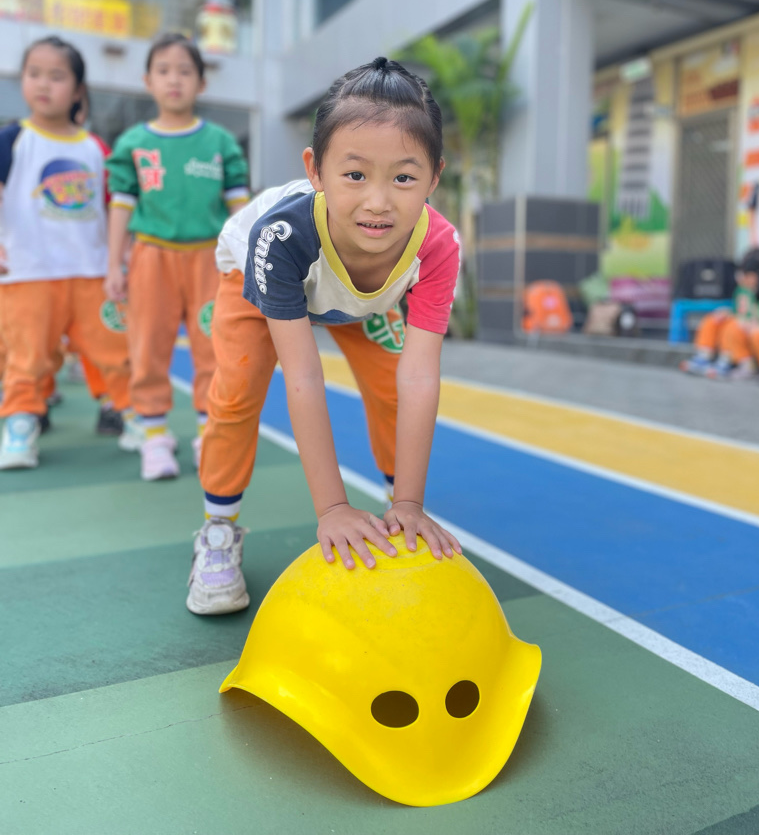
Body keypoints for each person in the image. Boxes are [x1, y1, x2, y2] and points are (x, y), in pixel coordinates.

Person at [187, 57, 462, 615]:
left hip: (359, 300)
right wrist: (333, 508)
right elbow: (304, 377)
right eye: (355, 175)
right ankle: (218, 526)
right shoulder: (281, 235)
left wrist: (411, 502)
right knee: (237, 390)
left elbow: (419, 376)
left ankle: (398, 511)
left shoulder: (438, 244)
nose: (378, 202)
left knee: (391, 388)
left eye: (403, 178)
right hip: (258, 279)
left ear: (434, 177)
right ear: (315, 169)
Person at [105, 33, 249, 481]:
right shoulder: (133, 143)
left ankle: (209, 433)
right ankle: (154, 436)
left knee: (213, 347)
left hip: (211, 259)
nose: (174, 80)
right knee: (147, 346)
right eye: (164, 70)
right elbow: (120, 206)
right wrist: (114, 264)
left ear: (201, 83)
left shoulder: (221, 142)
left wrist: (248, 260)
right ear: (147, 80)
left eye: (185, 71)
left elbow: (240, 207)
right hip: (151, 257)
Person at [0, 36, 131, 469]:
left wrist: (120, 260)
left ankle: (136, 417)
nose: (43, 84)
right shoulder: (12, 139)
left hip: (92, 274)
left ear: (77, 90)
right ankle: (21, 427)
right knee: (27, 357)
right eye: (34, 74)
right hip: (27, 274)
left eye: (56, 76)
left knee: (115, 350)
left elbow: (115, 208)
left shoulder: (95, 148)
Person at [681, 248, 759, 380]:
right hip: (744, 329)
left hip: (757, 333)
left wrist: (754, 324)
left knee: (735, 326)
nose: (743, 278)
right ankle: (703, 357)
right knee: (714, 319)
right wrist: (727, 313)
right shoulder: (743, 290)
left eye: (748, 275)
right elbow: (740, 311)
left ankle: (732, 362)